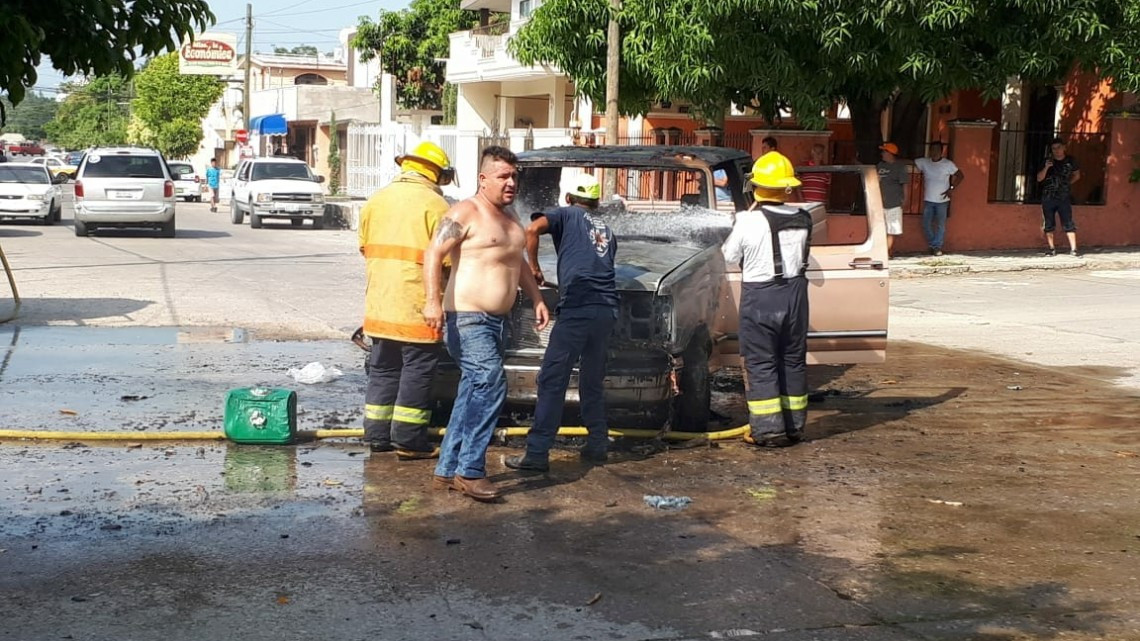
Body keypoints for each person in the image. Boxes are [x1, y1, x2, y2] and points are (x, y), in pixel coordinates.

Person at [423, 146, 550, 502]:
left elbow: (519, 263)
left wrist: (537, 298)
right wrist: (432, 301)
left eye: (514, 177)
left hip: (499, 322)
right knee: (491, 384)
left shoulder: (512, 220)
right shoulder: (466, 212)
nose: (511, 183)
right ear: (483, 179)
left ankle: (447, 469)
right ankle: (471, 471)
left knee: (472, 390)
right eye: (503, 176)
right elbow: (433, 253)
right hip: (468, 319)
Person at [504, 174, 618, 473]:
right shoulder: (606, 229)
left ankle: (537, 453)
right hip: (606, 311)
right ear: (595, 203)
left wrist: (534, 267)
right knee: (592, 381)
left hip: (578, 307)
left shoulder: (565, 214)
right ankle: (598, 444)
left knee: (552, 380)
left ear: (568, 198)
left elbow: (532, 229)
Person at [358, 142, 456, 460]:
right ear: (436, 172)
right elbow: (448, 260)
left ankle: (376, 435)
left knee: (383, 368)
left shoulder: (376, 200)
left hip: (379, 304)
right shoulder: (436, 206)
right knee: (418, 369)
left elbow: (365, 248)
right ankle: (410, 439)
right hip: (417, 304)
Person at [723, 151, 812, 447]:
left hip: (761, 299)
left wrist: (740, 222)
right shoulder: (804, 218)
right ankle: (795, 427)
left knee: (761, 363)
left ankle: (768, 431)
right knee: (792, 361)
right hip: (796, 297)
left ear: (756, 187)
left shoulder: (749, 222)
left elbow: (728, 256)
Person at [913, 141, 964, 256]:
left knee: (941, 225)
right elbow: (910, 162)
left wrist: (951, 188)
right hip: (928, 199)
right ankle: (934, 245)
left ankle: (936, 246)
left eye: (937, 149)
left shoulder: (948, 164)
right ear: (930, 151)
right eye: (932, 149)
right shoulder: (924, 162)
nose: (934, 152)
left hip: (942, 200)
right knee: (926, 224)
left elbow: (960, 175)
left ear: (941, 151)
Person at [1036, 137, 1082, 257]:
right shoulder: (1047, 161)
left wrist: (1067, 184)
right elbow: (1039, 178)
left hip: (1063, 197)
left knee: (1068, 222)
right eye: (1054, 148)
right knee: (1049, 223)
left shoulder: (1070, 161)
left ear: (1064, 148)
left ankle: (1074, 249)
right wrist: (1046, 167)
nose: (1056, 150)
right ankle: (1051, 248)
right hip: (1048, 196)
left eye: (1059, 148)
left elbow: (1077, 175)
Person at [877, 142, 910, 257]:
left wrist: (905, 200)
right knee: (882, 228)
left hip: (894, 203)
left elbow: (904, 184)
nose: (882, 154)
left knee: (892, 230)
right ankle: (887, 251)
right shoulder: (880, 166)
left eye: (884, 151)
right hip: (880, 203)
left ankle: (885, 253)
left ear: (890, 153)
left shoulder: (900, 167)